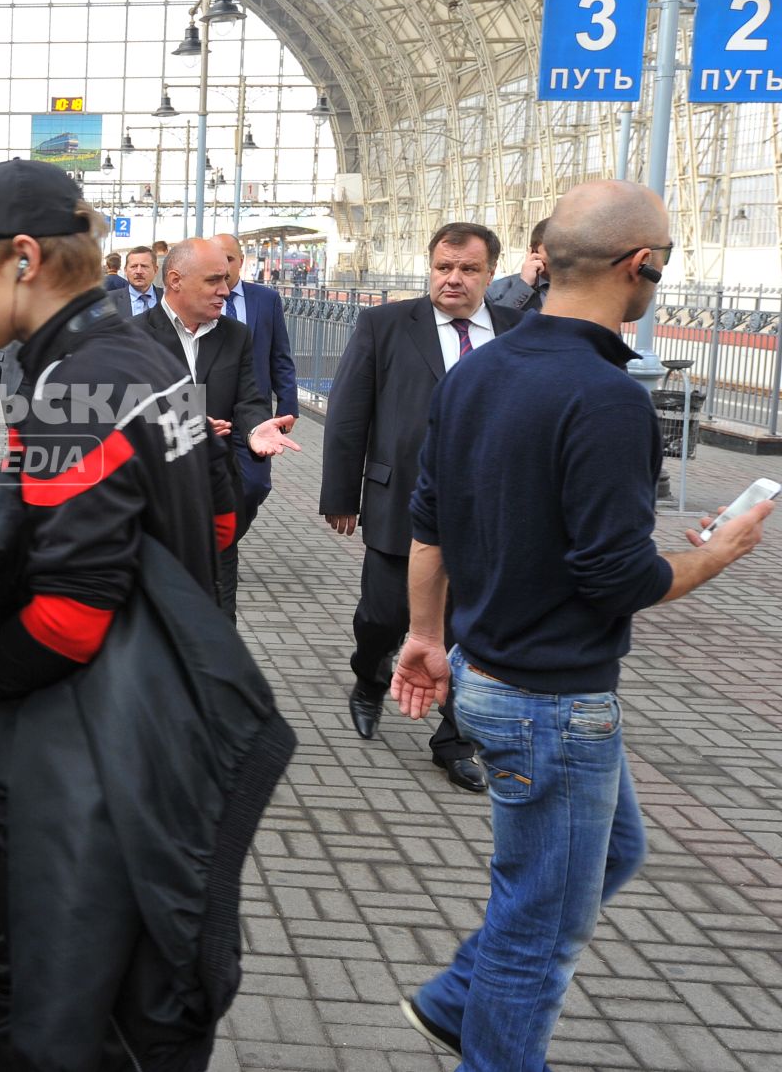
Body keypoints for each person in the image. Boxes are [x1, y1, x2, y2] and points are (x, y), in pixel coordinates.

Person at [0, 159, 283, 1069]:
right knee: (76, 983)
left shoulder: (74, 381)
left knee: (18, 985)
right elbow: (219, 517)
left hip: (91, 755)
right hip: (157, 729)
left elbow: (70, 618)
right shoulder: (150, 356)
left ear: (24, 258)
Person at [391, 180, 770, 1068]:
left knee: (615, 849)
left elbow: (429, 523)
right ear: (641, 265)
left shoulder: (479, 367)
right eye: (663, 261)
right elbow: (616, 577)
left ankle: (454, 999)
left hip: (485, 671)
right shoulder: (607, 398)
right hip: (552, 702)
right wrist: (720, 552)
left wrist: (422, 633)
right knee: (540, 934)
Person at [319, 222, 523, 792]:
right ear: (429, 268)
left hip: (488, 515)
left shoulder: (517, 330)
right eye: (443, 267)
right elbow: (348, 413)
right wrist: (341, 496)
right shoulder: (384, 325)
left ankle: (455, 741)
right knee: (383, 616)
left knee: (471, 633)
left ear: (490, 274)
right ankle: (369, 677)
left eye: (468, 269)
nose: (453, 278)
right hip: (398, 504)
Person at [136, 238, 301, 619]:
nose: (225, 291)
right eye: (214, 281)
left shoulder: (236, 335)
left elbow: (249, 399)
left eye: (226, 280)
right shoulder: (132, 336)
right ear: (175, 280)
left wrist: (257, 427)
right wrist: (186, 422)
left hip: (216, 493)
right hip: (151, 498)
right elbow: (121, 408)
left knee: (219, 609)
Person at [214, 233, 297, 538]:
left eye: (229, 259)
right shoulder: (203, 299)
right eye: (217, 260)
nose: (223, 267)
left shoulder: (266, 299)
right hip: (212, 410)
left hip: (256, 408)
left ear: (241, 261)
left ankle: (227, 539)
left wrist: (288, 404)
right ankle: (217, 549)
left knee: (256, 484)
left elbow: (280, 354)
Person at [487, 217, 550, 314]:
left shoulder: (581, 287)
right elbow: (495, 321)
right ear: (533, 252)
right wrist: (524, 285)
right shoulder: (498, 290)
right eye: (553, 249)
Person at [106, 245, 158, 317]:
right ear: (125, 270)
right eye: (134, 266)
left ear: (155, 270)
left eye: (144, 266)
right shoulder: (109, 300)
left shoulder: (168, 298)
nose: (139, 271)